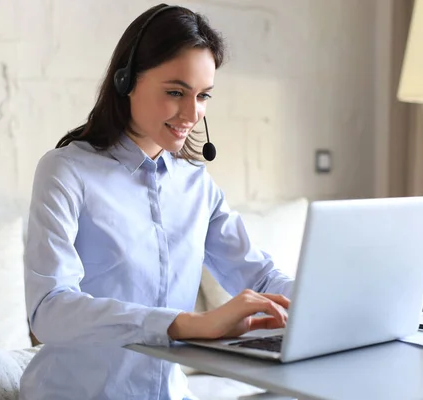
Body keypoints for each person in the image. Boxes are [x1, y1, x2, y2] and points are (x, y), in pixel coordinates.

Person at [20, 4, 294, 400]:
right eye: (175, 92)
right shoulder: (66, 171)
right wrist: (185, 324)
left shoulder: (196, 184)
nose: (192, 113)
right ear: (126, 81)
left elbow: (260, 278)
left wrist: (325, 303)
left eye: (202, 96)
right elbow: (50, 310)